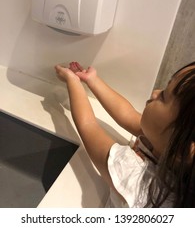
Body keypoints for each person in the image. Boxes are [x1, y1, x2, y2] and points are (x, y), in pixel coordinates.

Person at [55, 61, 195, 208]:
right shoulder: (175, 151)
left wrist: (72, 81)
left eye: (164, 96)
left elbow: (88, 126)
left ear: (186, 148)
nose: (155, 92)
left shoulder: (139, 183)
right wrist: (93, 80)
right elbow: (128, 115)